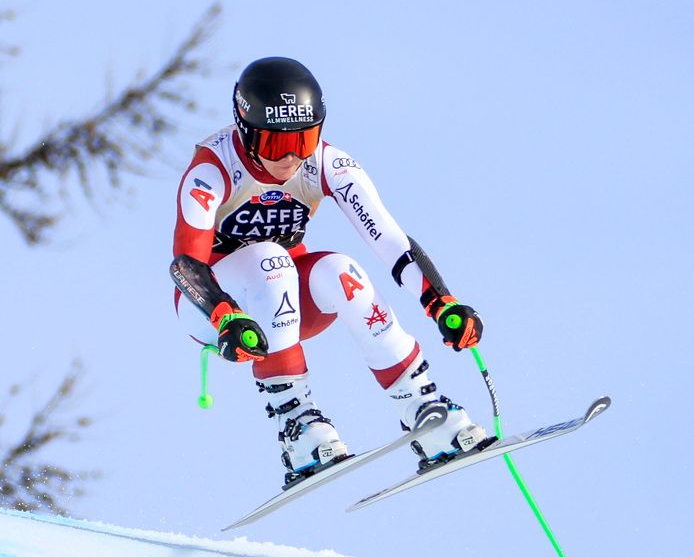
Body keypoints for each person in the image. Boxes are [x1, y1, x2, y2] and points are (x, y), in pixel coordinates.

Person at [170, 56, 494, 489]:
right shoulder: (214, 167)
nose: (288, 158)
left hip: (281, 302)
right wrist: (224, 314)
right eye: (272, 145)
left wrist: (440, 301)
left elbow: (389, 239)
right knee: (271, 260)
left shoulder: (328, 164)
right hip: (212, 305)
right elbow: (185, 263)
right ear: (244, 131)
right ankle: (297, 425)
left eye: (303, 141)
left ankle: (425, 409)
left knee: (344, 272)